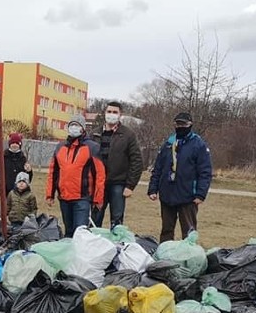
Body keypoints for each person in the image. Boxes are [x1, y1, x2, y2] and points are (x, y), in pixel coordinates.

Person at [148, 112, 213, 242]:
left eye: (183, 124)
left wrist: (201, 194)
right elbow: (158, 168)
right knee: (166, 230)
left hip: (188, 195)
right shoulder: (168, 144)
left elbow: (205, 172)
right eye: (178, 124)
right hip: (167, 194)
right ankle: (165, 255)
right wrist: (153, 189)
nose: (180, 126)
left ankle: (189, 257)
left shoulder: (198, 145)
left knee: (189, 232)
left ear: (190, 125)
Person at [45, 114, 105, 237]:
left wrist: (98, 198)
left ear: (82, 128)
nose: (73, 127)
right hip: (64, 197)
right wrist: (50, 194)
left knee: (80, 233)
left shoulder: (92, 147)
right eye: (71, 125)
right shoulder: (60, 147)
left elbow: (100, 174)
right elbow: (53, 172)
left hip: (82, 198)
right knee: (68, 232)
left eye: (76, 125)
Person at [91, 101, 143, 229]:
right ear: (104, 113)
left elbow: (137, 160)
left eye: (115, 112)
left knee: (117, 221)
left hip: (118, 184)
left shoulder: (128, 135)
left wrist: (130, 185)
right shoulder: (94, 134)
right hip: (98, 184)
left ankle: (117, 246)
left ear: (120, 115)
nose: (111, 114)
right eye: (109, 112)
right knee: (94, 218)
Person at [0, 132, 32, 197]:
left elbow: (27, 178)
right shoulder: (3, 157)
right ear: (9, 144)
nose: (14, 145)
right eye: (13, 143)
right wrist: (1, 184)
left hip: (19, 191)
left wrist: (29, 171)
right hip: (5, 191)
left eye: (17, 143)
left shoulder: (23, 158)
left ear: (20, 145)